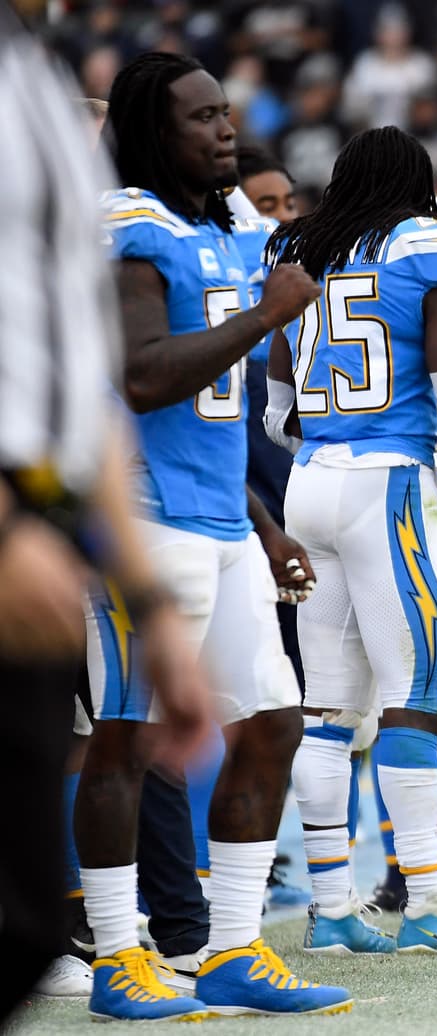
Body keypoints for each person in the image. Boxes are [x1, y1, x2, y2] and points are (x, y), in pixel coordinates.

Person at [79, 51, 351, 1020]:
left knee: (272, 722)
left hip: (220, 521)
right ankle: (119, 956)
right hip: (143, 521)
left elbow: (218, 415)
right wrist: (266, 317)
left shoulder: (232, 230)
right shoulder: (129, 228)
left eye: (227, 112)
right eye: (201, 118)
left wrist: (264, 523)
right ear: (156, 133)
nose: (224, 130)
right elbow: (145, 374)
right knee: (123, 738)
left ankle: (231, 946)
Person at [269, 125, 437, 956]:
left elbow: (276, 415)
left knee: (327, 709)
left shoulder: (297, 244)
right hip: (390, 484)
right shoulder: (429, 244)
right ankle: (427, 899)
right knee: (416, 698)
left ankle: (333, 907)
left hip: (309, 482)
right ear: (417, 184)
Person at [0, 7, 211, 1019]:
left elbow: (79, 385)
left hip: (57, 523)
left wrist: (151, 605)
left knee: (22, 923)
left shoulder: (39, 81)